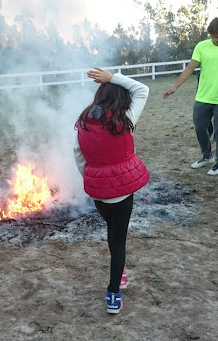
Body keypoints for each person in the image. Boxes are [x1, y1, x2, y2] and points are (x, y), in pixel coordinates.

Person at [73, 67, 150, 314]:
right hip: (122, 193)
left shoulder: (84, 121)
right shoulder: (125, 119)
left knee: (112, 231)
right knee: (119, 241)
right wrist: (113, 77)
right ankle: (114, 292)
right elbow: (143, 89)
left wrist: (90, 176)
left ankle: (120, 273)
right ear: (121, 99)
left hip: (98, 193)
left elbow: (77, 154)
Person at [164, 17, 218, 175]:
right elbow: (189, 69)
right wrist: (175, 86)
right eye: (212, 37)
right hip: (202, 97)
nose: (215, 39)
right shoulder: (201, 46)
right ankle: (207, 156)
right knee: (200, 128)